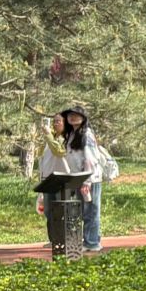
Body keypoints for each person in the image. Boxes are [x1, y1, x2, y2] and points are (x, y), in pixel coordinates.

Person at [35, 105, 104, 255]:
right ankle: (88, 240)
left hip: (90, 179)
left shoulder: (86, 134)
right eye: (70, 115)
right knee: (83, 211)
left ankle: (92, 243)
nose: (72, 117)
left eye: (76, 115)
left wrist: (87, 181)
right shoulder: (72, 134)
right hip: (78, 178)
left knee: (91, 211)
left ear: (83, 118)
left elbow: (90, 158)